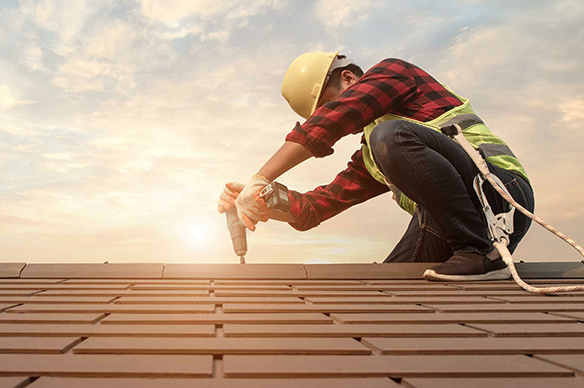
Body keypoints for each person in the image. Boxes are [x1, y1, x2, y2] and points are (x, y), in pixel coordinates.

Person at [217, 52, 535, 281]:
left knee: (390, 135)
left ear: (349, 77)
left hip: (501, 195)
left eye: (330, 104)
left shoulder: (395, 74)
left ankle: (481, 253)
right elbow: (315, 207)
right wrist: (264, 199)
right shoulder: (375, 154)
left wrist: (260, 177)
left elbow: (336, 119)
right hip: (445, 224)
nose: (336, 114)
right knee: (389, 284)